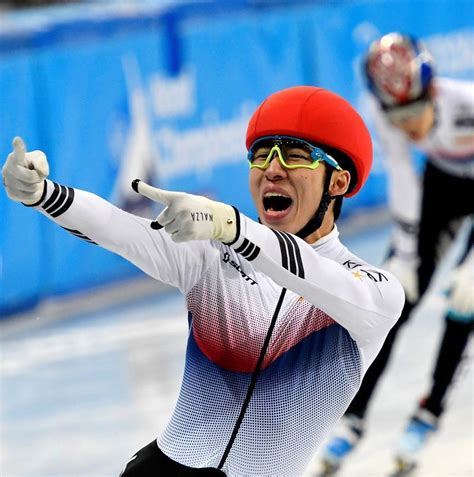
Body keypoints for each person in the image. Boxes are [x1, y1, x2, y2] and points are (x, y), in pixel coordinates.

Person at [2, 86, 404, 476]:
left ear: (338, 183)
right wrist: (42, 193)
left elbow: (311, 275)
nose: (272, 170)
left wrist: (231, 226)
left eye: (295, 157)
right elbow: (118, 229)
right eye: (261, 157)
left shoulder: (374, 292)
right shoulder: (212, 256)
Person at [319, 33, 474, 477]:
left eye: (415, 112)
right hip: (443, 181)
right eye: (397, 116)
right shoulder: (382, 109)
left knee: (466, 298)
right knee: (390, 298)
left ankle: (431, 410)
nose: (409, 127)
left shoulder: (467, 104)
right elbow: (404, 172)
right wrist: (404, 256)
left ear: (435, 91)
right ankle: (352, 417)